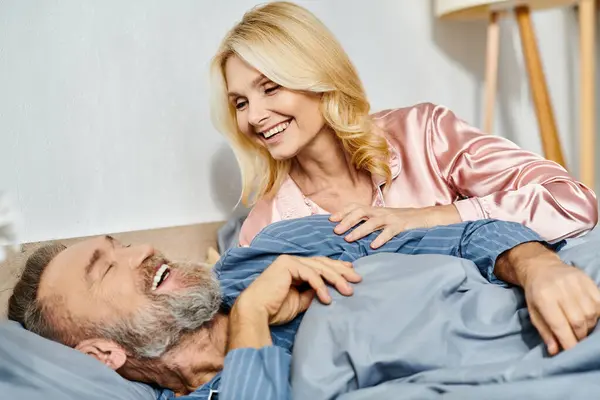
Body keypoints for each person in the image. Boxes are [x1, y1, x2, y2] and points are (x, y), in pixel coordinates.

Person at [8, 216, 600, 399]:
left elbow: (465, 237)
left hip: (561, 289)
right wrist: (250, 321)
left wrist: (539, 266)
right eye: (105, 267)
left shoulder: (262, 250)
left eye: (121, 242)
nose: (143, 250)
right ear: (102, 353)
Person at [209, 1, 598, 249]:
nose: (255, 116)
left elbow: (573, 202)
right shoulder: (267, 225)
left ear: (317, 77)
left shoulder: (423, 134)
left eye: (270, 88)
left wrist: (426, 218)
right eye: (240, 102)